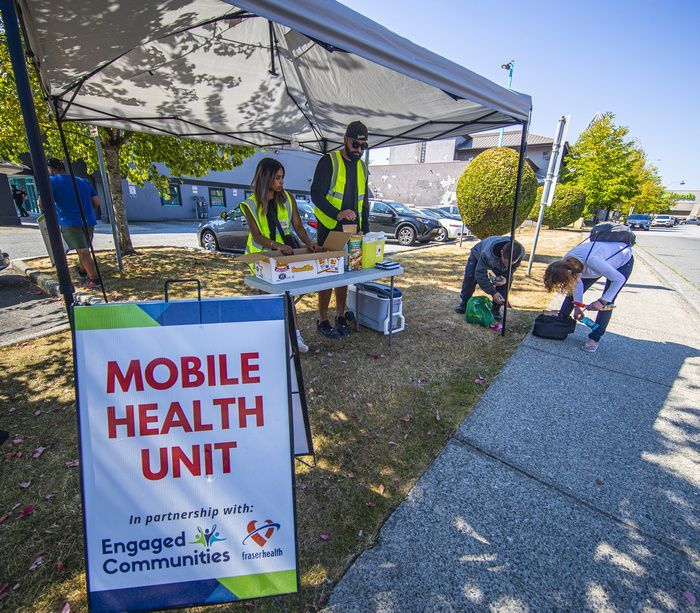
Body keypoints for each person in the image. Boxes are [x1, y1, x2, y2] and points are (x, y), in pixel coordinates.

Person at [240, 157, 319, 352]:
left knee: (288, 297)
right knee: (267, 299)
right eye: (277, 178)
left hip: (283, 256)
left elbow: (298, 226)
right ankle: (270, 340)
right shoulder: (250, 204)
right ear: (266, 178)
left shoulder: (287, 197)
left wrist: (309, 242)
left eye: (283, 177)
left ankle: (295, 337)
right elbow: (257, 236)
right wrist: (277, 246)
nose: (282, 182)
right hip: (261, 258)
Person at [310, 120, 370, 339]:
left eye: (364, 147)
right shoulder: (329, 161)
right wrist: (337, 213)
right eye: (356, 145)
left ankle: (340, 316)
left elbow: (364, 202)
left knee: (345, 274)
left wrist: (365, 229)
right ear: (345, 139)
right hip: (329, 227)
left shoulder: (362, 166)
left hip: (353, 231)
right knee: (328, 274)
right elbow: (315, 194)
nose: (359, 150)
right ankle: (323, 319)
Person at [544, 239, 633, 353]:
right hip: (598, 263)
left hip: (622, 261)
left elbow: (619, 279)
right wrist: (577, 307)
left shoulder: (593, 261)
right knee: (572, 294)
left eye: (563, 282)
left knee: (608, 302)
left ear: (570, 273)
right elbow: (577, 284)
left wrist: (602, 301)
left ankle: (594, 339)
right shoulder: (568, 261)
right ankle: (561, 322)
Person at [41, 158, 101, 288]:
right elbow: (97, 203)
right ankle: (82, 271)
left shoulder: (51, 181)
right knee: (84, 248)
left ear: (51, 169)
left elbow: (42, 203)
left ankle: (94, 280)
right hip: (89, 220)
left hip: (69, 221)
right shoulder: (83, 181)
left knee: (83, 251)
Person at [454, 236, 525, 322]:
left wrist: (505, 279)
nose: (508, 266)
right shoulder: (487, 253)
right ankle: (464, 303)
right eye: (506, 262)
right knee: (470, 278)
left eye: (511, 263)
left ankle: (495, 309)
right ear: (501, 252)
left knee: (506, 283)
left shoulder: (520, 253)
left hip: (497, 259)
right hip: (478, 254)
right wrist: (493, 292)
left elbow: (512, 268)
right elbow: (480, 274)